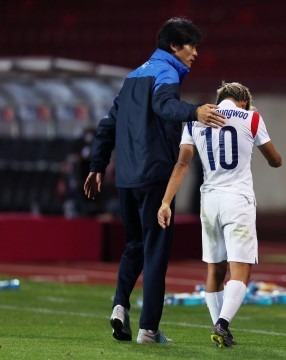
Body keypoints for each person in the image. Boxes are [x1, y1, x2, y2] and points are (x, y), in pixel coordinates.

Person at [83, 17, 227, 344]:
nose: (195, 53)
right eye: (192, 46)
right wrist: (195, 112)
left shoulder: (132, 77)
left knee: (133, 246)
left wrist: (97, 165)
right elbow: (165, 105)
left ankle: (120, 304)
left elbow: (108, 124)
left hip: (127, 179)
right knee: (156, 252)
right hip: (156, 176)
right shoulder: (166, 72)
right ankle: (149, 329)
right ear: (175, 46)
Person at [157, 81, 282, 347]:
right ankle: (223, 324)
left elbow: (182, 163)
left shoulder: (195, 120)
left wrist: (166, 201)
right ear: (244, 102)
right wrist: (273, 156)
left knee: (215, 269)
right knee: (241, 268)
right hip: (238, 200)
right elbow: (275, 160)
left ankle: (219, 327)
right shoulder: (252, 118)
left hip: (209, 200)